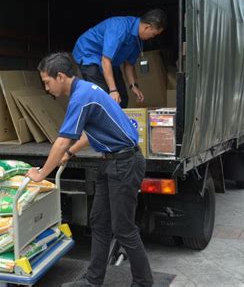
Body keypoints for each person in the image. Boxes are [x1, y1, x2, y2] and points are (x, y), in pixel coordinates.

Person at [26, 53, 153, 287]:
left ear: (61, 76)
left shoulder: (81, 96)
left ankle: (144, 283)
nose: (46, 88)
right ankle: (93, 281)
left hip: (124, 163)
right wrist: (70, 153)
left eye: (47, 82)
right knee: (99, 222)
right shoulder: (84, 90)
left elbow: (61, 140)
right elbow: (88, 131)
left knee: (123, 229)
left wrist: (42, 173)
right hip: (109, 162)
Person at [72, 9, 167, 108]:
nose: (153, 37)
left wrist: (133, 86)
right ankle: (101, 122)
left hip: (110, 61)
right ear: (147, 27)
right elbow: (105, 60)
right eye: (154, 34)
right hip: (89, 53)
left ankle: (119, 122)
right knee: (104, 96)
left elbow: (129, 64)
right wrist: (113, 90)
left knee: (122, 97)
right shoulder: (119, 27)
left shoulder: (138, 40)